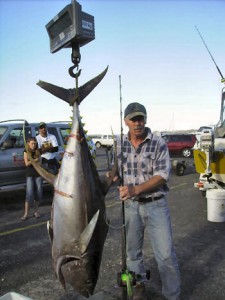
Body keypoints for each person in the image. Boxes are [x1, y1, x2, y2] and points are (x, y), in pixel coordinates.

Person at [113, 102, 180, 300]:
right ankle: (138, 287)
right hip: (131, 207)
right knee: (132, 255)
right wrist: (112, 176)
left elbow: (162, 176)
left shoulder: (158, 143)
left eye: (140, 118)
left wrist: (135, 189)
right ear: (126, 121)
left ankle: (172, 296)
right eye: (133, 119)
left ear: (146, 119)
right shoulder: (119, 143)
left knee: (166, 256)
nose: (137, 123)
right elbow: (115, 170)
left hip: (156, 204)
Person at [21, 137, 42, 221]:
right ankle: (26, 214)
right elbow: (27, 163)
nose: (34, 145)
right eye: (32, 143)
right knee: (29, 194)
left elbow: (40, 163)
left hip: (38, 174)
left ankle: (36, 211)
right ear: (28, 143)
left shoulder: (38, 151)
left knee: (39, 193)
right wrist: (36, 160)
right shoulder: (26, 151)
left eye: (35, 143)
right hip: (30, 174)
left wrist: (34, 161)